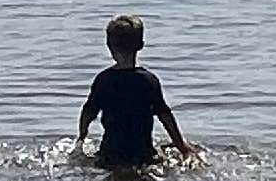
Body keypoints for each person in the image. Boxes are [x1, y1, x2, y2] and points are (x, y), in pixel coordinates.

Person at [76, 12, 192, 169]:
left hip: (110, 154)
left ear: (109, 45)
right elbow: (165, 115)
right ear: (141, 45)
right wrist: (181, 146)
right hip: (142, 154)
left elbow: (88, 112)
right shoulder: (148, 81)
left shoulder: (103, 80)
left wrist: (82, 136)